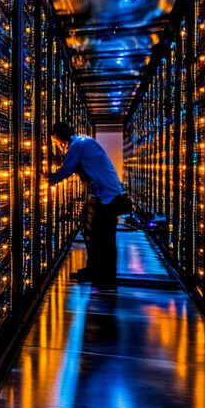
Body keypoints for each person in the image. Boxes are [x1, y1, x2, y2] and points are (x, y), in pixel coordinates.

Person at [46, 121, 131, 292]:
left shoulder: (77, 144)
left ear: (61, 137)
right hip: (104, 194)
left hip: (105, 197)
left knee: (102, 239)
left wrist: (49, 179)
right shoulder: (84, 141)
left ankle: (105, 279)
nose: (58, 145)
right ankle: (94, 271)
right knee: (91, 233)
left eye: (57, 141)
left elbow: (68, 169)